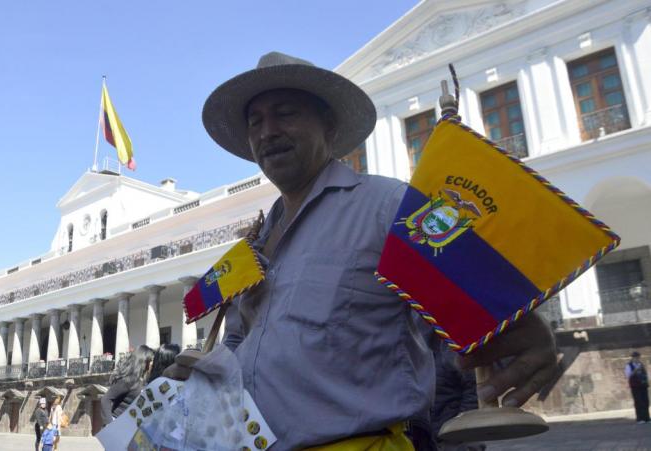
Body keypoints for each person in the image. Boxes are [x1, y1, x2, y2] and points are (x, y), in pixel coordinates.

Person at [165, 51, 559, 450]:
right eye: (256, 121)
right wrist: (202, 374)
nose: (268, 131)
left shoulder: (389, 205)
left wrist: (529, 325)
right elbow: (237, 347)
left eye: (285, 113)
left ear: (329, 125)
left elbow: (483, 286)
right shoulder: (251, 246)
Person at [100, 343, 180, 425]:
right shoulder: (129, 380)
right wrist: (109, 423)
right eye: (151, 360)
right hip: (118, 423)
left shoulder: (144, 381)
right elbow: (106, 399)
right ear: (144, 360)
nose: (153, 363)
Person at [431, 341, 485, 451]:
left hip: (456, 438)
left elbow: (473, 390)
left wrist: (461, 432)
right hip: (425, 436)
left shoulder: (451, 342)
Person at [626, 351, 650, 423]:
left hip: (643, 385)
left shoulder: (641, 364)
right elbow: (628, 375)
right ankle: (640, 418)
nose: (637, 359)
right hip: (635, 386)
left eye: (638, 357)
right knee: (639, 402)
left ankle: (647, 418)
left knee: (646, 402)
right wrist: (635, 370)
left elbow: (645, 374)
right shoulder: (629, 365)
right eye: (636, 358)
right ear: (633, 358)